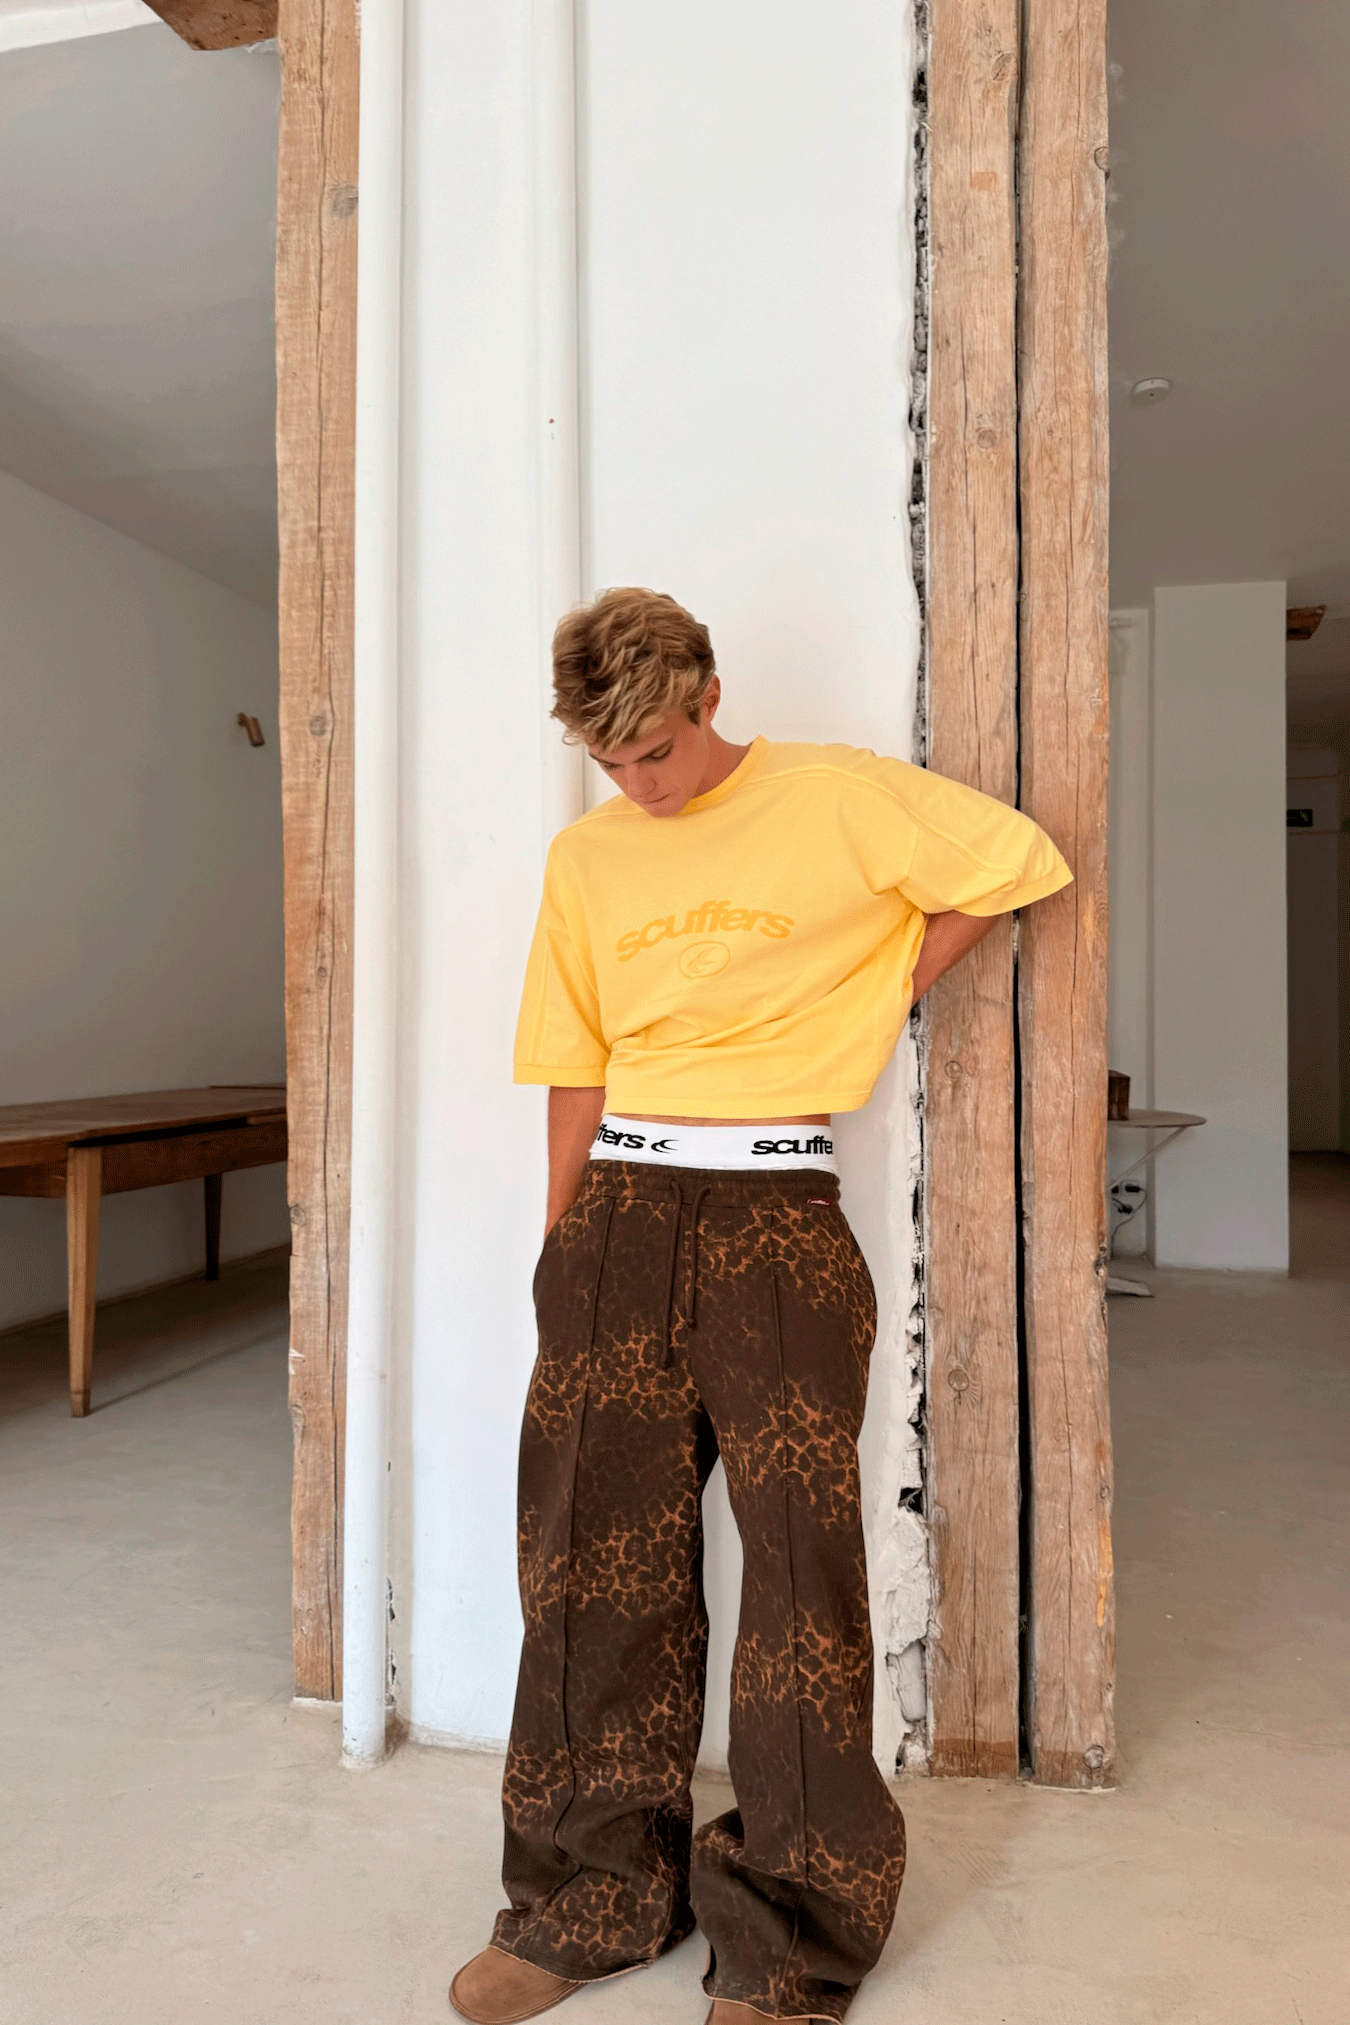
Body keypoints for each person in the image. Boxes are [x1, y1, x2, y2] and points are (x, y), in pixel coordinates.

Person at [451, 589, 1072, 2025]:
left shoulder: (836, 796)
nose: (640, 784)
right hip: (618, 1212)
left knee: (801, 1577)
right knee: (588, 1566)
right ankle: (590, 1898)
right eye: (611, 762)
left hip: (776, 1218)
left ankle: (788, 1941)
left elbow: (1017, 861)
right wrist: (562, 1252)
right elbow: (576, 1056)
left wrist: (873, 991)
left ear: (710, 696)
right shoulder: (587, 857)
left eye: (657, 751)